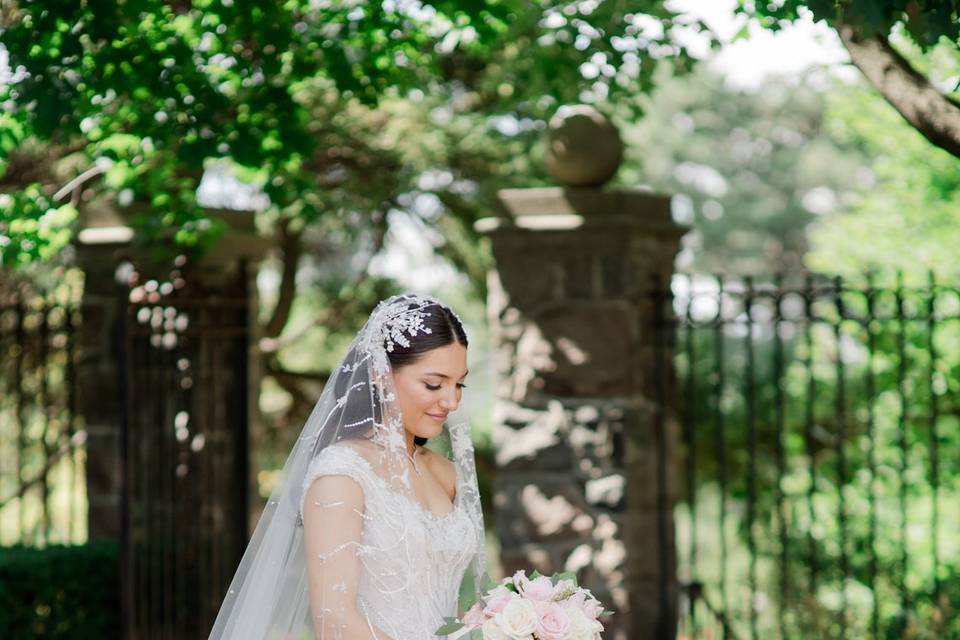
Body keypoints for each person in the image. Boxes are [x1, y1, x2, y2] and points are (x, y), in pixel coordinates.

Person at [208, 293, 486, 639]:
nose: (451, 400)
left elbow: (444, 604)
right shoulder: (342, 475)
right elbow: (334, 620)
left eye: (459, 384)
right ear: (380, 374)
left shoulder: (447, 474)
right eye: (434, 384)